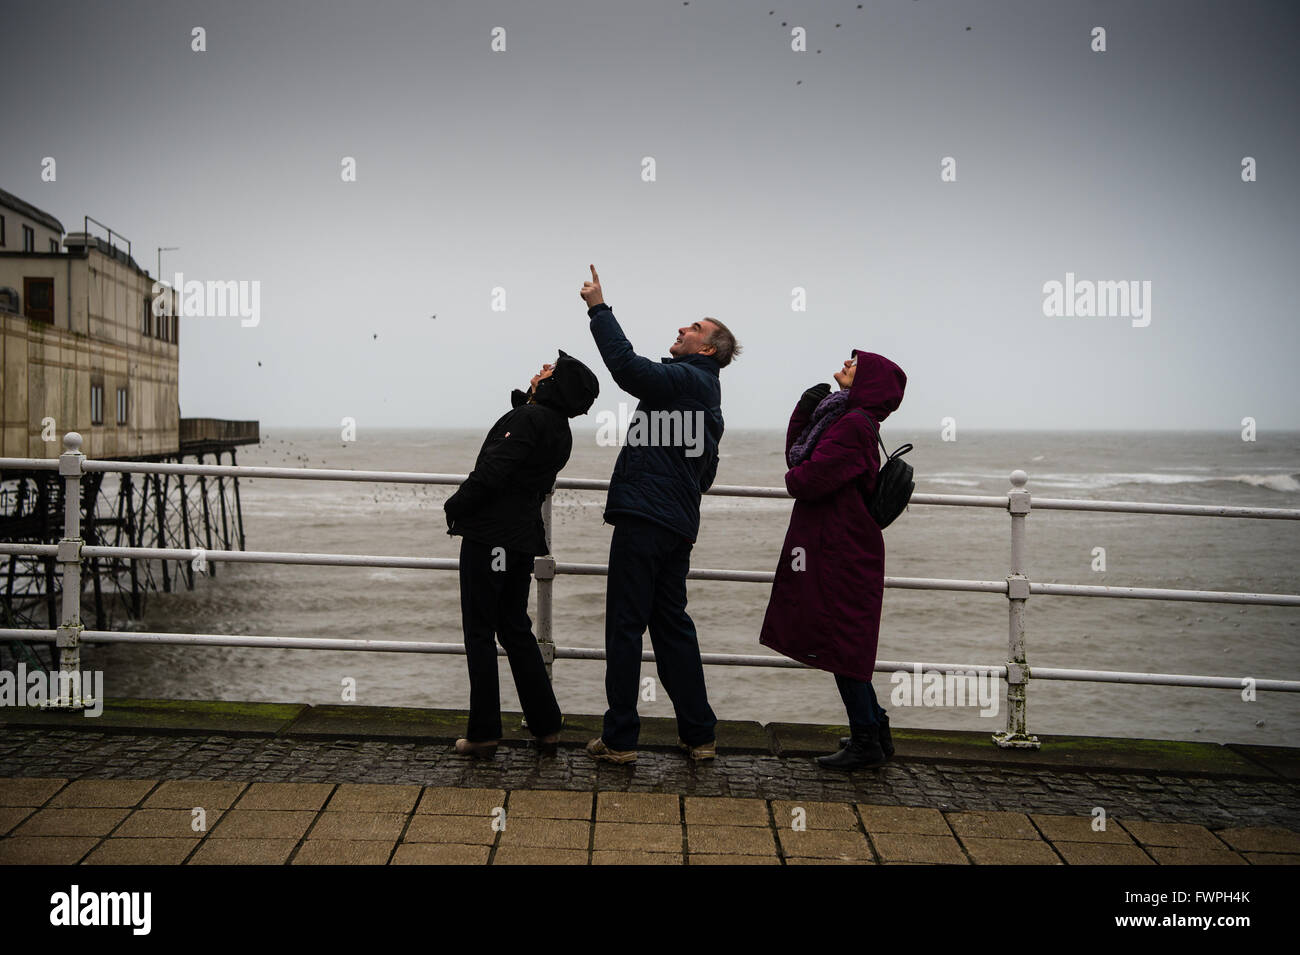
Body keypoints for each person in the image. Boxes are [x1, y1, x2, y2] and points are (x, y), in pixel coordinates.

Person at [578, 264, 739, 763]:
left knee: (625, 626)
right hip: (677, 524)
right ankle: (699, 735)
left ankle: (621, 739)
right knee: (671, 625)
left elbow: (628, 370)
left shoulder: (684, 379)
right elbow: (705, 473)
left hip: (645, 519)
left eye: (693, 328)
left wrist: (599, 308)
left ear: (708, 348)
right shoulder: (708, 396)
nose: (681, 330)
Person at [444, 350, 600, 758]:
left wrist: (455, 505)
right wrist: (529, 401)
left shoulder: (529, 420)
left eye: (551, 370)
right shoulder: (558, 427)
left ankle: (483, 733)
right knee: (514, 627)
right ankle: (546, 724)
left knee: (479, 631)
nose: (542, 368)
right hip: (520, 539)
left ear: (555, 385)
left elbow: (494, 471)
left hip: (490, 536)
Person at [759, 349, 907, 770]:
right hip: (840, 544)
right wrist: (803, 412)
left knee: (845, 646)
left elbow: (801, 479)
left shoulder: (852, 426)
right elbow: (801, 460)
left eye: (855, 363)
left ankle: (866, 742)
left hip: (840, 548)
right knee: (846, 643)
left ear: (869, 382)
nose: (845, 363)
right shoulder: (846, 418)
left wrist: (802, 421)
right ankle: (873, 731)